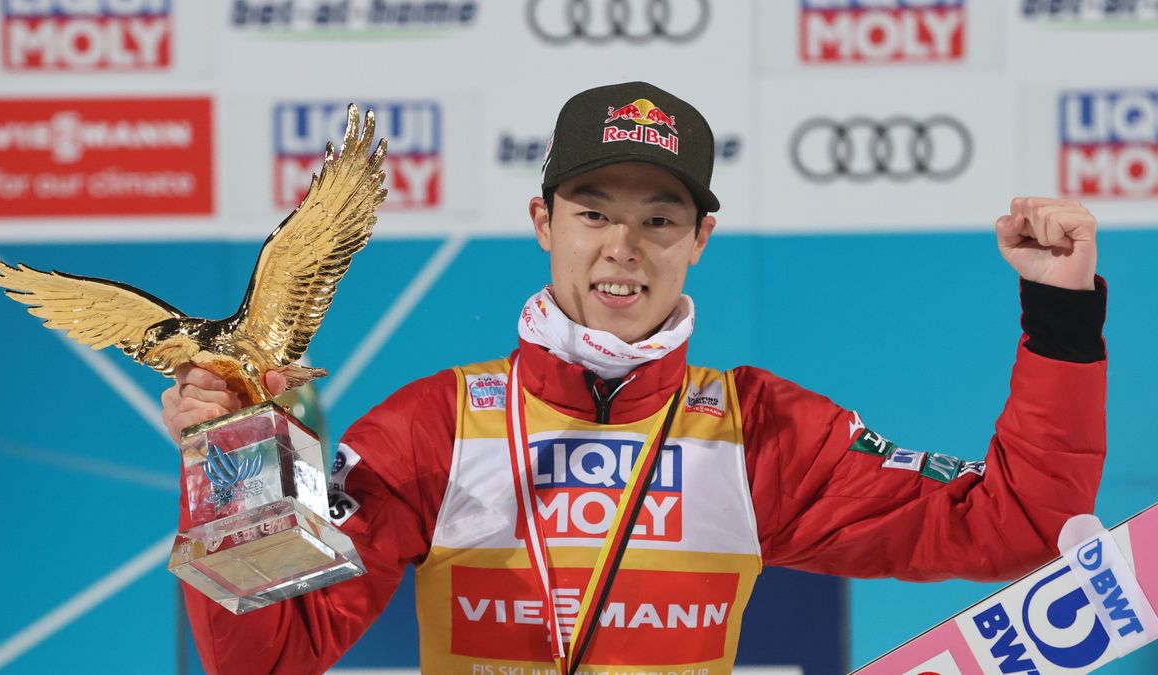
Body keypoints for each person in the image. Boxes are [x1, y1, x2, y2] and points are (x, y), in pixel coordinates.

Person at [162, 82, 1107, 674]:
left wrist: (1061, 310)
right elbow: (269, 659)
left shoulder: (759, 429)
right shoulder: (436, 427)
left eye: (659, 219)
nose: (623, 247)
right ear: (545, 221)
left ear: (700, 239)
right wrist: (224, 467)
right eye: (592, 211)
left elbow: (1017, 527)